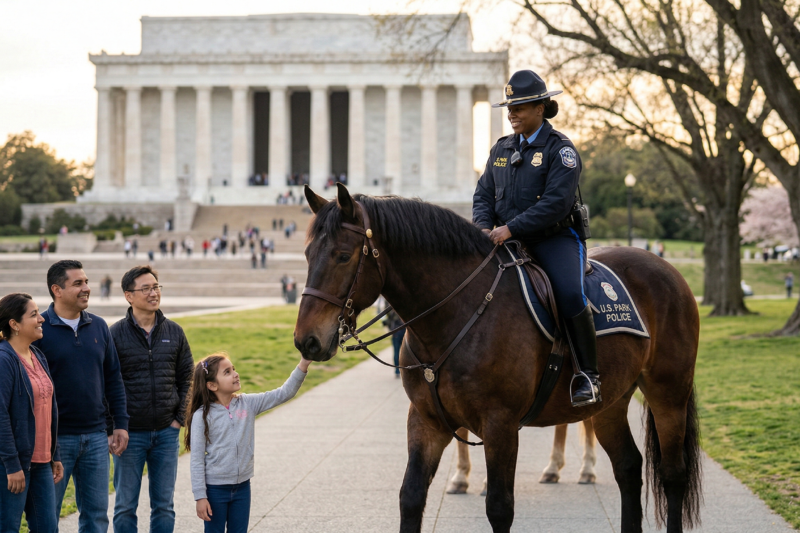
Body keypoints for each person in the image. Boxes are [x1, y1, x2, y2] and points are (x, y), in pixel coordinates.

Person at [473, 69, 600, 407]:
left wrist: (511, 228)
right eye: (509, 108)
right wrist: (484, 227)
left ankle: (588, 374)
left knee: (571, 294)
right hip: (502, 240)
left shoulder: (562, 151)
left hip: (553, 239)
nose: (512, 114)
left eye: (520, 107)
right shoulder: (500, 150)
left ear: (541, 107)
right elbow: (483, 194)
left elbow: (557, 205)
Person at [33, 260, 129, 533]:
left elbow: (113, 379)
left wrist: (119, 424)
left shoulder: (99, 326)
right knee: (47, 518)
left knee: (97, 518)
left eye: (86, 281)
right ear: (57, 290)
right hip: (55, 441)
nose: (87, 288)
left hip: (97, 438)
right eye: (78, 283)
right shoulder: (39, 329)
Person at [109, 266, 194, 533]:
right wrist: (114, 426)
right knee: (124, 505)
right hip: (129, 434)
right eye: (145, 288)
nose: (153, 293)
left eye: (156, 286)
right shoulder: (115, 334)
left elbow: (189, 379)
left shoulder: (175, 331)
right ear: (128, 296)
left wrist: (179, 420)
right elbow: (107, 385)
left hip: (166, 435)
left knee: (164, 505)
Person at [186, 353, 311, 533]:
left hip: (242, 488)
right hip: (215, 490)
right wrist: (200, 497)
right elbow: (197, 459)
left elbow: (284, 393)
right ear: (212, 385)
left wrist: (304, 363)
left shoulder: (247, 404)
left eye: (234, 369)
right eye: (227, 372)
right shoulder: (202, 416)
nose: (235, 374)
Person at [0, 293, 63, 533]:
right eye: (34, 314)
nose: (41, 319)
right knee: (8, 527)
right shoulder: (4, 360)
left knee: (47, 528)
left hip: (41, 462)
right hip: (13, 465)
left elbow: (49, 409)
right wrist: (12, 466)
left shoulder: (38, 356)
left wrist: (54, 454)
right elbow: (1, 416)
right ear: (14, 324)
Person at [384, 309, 405, 378]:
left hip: (396, 331)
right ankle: (404, 369)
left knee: (396, 351)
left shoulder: (392, 309)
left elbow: (389, 318)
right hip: (404, 330)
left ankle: (397, 370)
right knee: (405, 351)